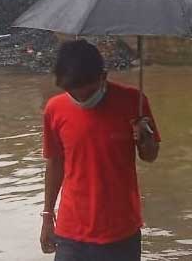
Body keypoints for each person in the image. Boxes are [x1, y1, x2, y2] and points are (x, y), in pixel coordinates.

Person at [40, 40, 160, 260]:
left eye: (88, 93)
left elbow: (150, 156)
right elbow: (55, 163)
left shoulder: (134, 102)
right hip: (71, 231)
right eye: (74, 94)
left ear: (103, 76)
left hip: (121, 230)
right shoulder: (54, 109)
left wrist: (146, 139)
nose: (81, 100)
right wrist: (48, 216)